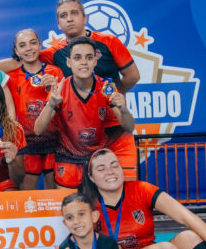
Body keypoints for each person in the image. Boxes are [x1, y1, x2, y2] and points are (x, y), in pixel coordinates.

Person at [0, 0, 140, 178]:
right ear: (58, 24)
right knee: (84, 187)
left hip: (114, 128)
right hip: (79, 134)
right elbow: (21, 61)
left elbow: (133, 76)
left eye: (74, 13)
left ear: (84, 18)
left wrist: (110, 98)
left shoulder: (109, 42)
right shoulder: (55, 53)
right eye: (63, 15)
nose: (69, 19)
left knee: (122, 183)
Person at [33, 37, 134, 189]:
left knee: (102, 201)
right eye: (77, 58)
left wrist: (123, 109)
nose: (84, 62)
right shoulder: (60, 89)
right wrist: (51, 104)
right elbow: (38, 130)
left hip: (97, 158)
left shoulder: (106, 87)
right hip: (67, 158)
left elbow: (129, 127)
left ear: (95, 61)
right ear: (69, 63)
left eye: (88, 57)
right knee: (69, 202)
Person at [5, 28, 63, 190]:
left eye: (33, 43)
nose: (29, 48)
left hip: (54, 141)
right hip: (27, 142)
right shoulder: (11, 77)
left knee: (53, 197)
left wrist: (53, 88)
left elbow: (64, 108)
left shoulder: (55, 72)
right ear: (17, 51)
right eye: (22, 45)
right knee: (26, 196)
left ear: (39, 45)